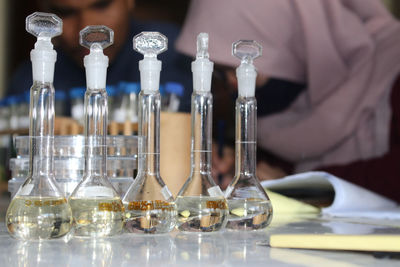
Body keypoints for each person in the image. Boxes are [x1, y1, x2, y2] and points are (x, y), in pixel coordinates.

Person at [175, 0, 400, 202]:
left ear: (293, 34)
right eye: (222, 73)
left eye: (241, 68)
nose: (234, 84)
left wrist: (298, 186)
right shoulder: (288, 103)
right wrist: (239, 167)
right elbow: (280, 164)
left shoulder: (392, 66)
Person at [7, 0, 192, 113]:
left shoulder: (177, 56)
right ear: (45, 8)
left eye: (101, 5)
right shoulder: (27, 81)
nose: (86, 28)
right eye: (66, 12)